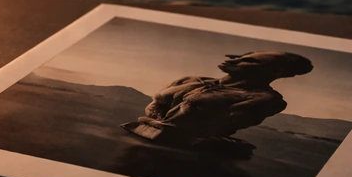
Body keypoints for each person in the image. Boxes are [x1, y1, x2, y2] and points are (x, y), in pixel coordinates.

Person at [122, 51, 313, 154]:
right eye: (239, 56)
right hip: (140, 142)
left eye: (251, 61)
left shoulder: (265, 100)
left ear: (275, 72)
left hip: (186, 156)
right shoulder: (189, 80)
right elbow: (156, 104)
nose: (234, 60)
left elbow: (224, 124)